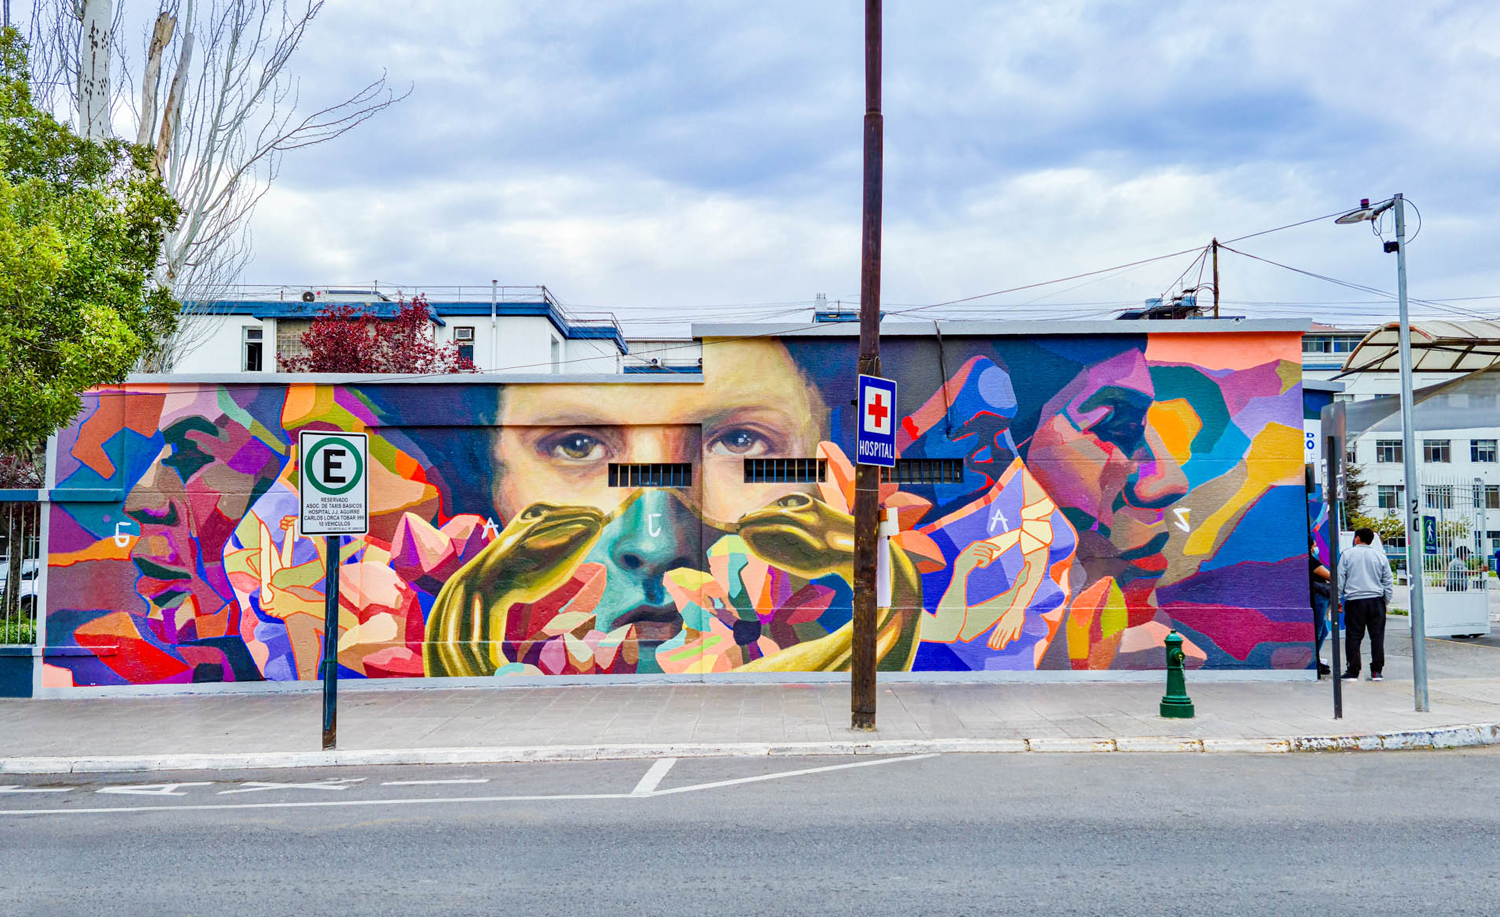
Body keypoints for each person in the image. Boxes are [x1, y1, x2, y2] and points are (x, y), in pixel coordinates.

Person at [1338, 526, 1393, 682]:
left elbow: (1340, 579)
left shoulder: (1347, 555)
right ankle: (1376, 671)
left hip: (1354, 601)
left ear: (1356, 538)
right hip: (1376, 600)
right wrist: (1385, 601)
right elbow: (1388, 581)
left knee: (1353, 637)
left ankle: (1353, 671)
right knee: (1377, 637)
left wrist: (1337, 600)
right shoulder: (1380, 557)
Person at [1308, 539, 1332, 676]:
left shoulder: (1309, 560)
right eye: (1314, 545)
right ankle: (1312, 660)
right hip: (1319, 598)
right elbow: (1329, 576)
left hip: (1320, 599)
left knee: (1323, 631)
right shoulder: (1312, 561)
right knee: (1318, 631)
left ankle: (1315, 658)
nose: (1316, 547)